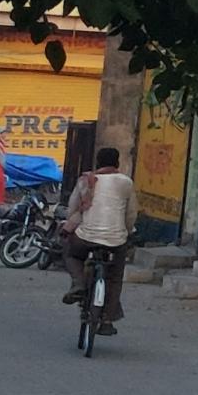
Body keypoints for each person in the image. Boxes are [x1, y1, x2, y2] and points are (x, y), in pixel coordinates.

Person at [64, 138, 136, 333]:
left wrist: (71, 223)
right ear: (117, 163)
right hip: (116, 240)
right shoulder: (126, 183)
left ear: (97, 162)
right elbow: (130, 215)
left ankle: (78, 283)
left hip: (86, 237)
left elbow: (72, 210)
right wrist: (128, 232)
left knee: (71, 253)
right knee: (115, 276)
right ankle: (107, 320)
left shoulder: (85, 180)